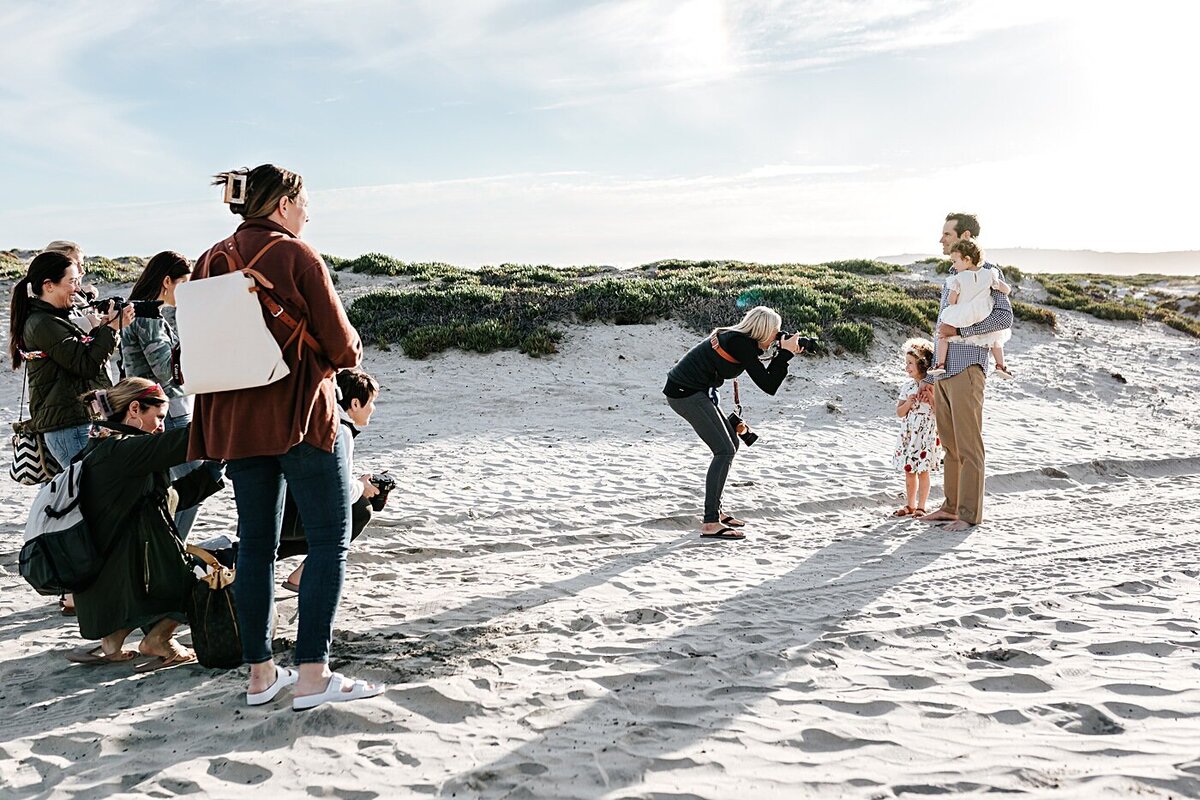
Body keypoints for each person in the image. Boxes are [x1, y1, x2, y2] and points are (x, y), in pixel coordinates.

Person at [191, 164, 383, 710]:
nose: (306, 215)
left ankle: (260, 677)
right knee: (328, 540)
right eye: (303, 205)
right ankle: (313, 677)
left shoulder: (210, 257)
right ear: (283, 204)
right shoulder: (298, 254)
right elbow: (345, 349)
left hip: (235, 421)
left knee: (255, 546)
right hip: (299, 414)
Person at [68, 378, 222, 669]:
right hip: (119, 574)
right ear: (135, 408)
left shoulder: (101, 443)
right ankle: (159, 640)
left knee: (157, 554)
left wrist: (212, 471)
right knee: (203, 573)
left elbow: (168, 499)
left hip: (100, 580)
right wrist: (225, 408)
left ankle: (112, 641)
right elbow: (185, 441)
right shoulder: (122, 449)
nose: (162, 426)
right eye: (159, 417)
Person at [663, 305, 805, 540]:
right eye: (776, 331)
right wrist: (785, 354)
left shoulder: (741, 341)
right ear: (764, 329)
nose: (777, 336)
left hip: (696, 391)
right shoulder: (741, 344)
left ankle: (715, 511)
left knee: (731, 444)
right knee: (724, 450)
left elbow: (766, 377)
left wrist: (782, 350)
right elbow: (769, 386)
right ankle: (710, 522)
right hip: (685, 393)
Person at [919, 213, 1014, 532]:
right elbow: (941, 325)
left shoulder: (988, 273)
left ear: (966, 236)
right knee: (950, 443)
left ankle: (970, 514)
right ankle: (950, 506)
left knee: (969, 444)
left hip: (969, 365)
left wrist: (963, 333)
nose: (941, 240)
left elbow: (1003, 318)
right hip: (945, 369)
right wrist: (932, 374)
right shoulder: (954, 274)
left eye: (947, 234)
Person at [8, 251, 132, 469]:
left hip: (74, 421)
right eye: (72, 281)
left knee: (72, 493)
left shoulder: (55, 318)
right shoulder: (43, 323)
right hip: (68, 425)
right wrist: (111, 330)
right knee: (83, 493)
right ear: (49, 285)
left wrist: (103, 328)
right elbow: (85, 365)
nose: (77, 288)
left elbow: (78, 358)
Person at [121, 251, 205, 536]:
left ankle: (166, 550)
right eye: (184, 283)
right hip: (166, 413)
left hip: (157, 411)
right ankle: (172, 549)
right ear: (167, 281)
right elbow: (166, 370)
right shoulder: (147, 317)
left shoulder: (145, 314)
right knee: (198, 481)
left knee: (169, 489)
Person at [928, 240, 1013, 379]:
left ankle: (940, 364)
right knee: (994, 337)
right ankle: (1001, 366)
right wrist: (996, 286)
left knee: (943, 335)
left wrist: (954, 293)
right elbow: (1006, 289)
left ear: (967, 260)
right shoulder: (990, 273)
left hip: (964, 313)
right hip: (983, 312)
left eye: (954, 261)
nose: (953, 265)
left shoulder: (958, 278)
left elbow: (952, 301)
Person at [891, 338, 942, 517]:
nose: (907, 367)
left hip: (926, 435)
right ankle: (910, 504)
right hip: (908, 435)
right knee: (909, 471)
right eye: (906, 363)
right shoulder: (907, 387)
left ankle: (921, 506)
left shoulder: (934, 386)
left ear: (923, 363)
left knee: (923, 471)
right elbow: (899, 412)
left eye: (911, 363)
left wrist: (931, 398)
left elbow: (940, 413)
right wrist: (909, 403)